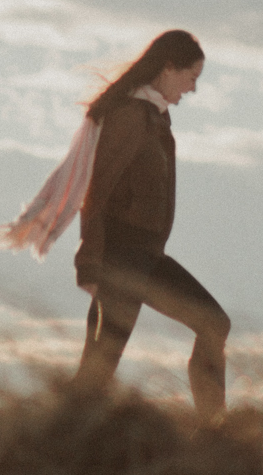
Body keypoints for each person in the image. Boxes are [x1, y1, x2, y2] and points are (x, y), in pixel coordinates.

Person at [66, 30, 228, 422]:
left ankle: (214, 430)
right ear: (167, 68)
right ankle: (51, 448)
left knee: (213, 323)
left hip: (146, 257)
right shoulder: (129, 116)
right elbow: (97, 190)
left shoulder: (154, 116)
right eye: (191, 77)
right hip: (121, 259)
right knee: (97, 372)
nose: (193, 89)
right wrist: (89, 263)